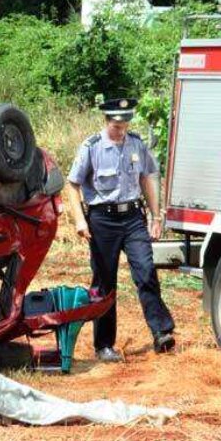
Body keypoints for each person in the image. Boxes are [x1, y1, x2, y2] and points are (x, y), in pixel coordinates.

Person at [66, 98, 175, 362]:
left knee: (146, 270)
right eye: (117, 125)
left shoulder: (136, 143)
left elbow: (147, 177)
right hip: (102, 220)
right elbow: (72, 185)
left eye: (125, 123)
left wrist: (155, 216)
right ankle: (104, 344)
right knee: (104, 281)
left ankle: (161, 331)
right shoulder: (91, 147)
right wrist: (80, 220)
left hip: (133, 217)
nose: (122, 129)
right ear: (107, 121)